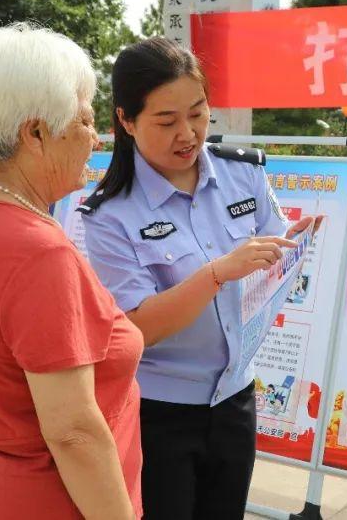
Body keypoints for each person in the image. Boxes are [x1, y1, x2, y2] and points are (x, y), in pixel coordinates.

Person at [80, 36, 312, 520]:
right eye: (166, 121)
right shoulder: (109, 214)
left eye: (198, 113)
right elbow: (138, 327)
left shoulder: (243, 173)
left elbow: (273, 254)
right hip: (158, 411)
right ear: (126, 121)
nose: (187, 133)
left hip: (234, 399)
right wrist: (216, 274)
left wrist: (293, 247)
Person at [0, 23, 142, 519]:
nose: (96, 138)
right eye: (85, 120)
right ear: (36, 133)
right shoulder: (39, 252)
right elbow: (73, 431)